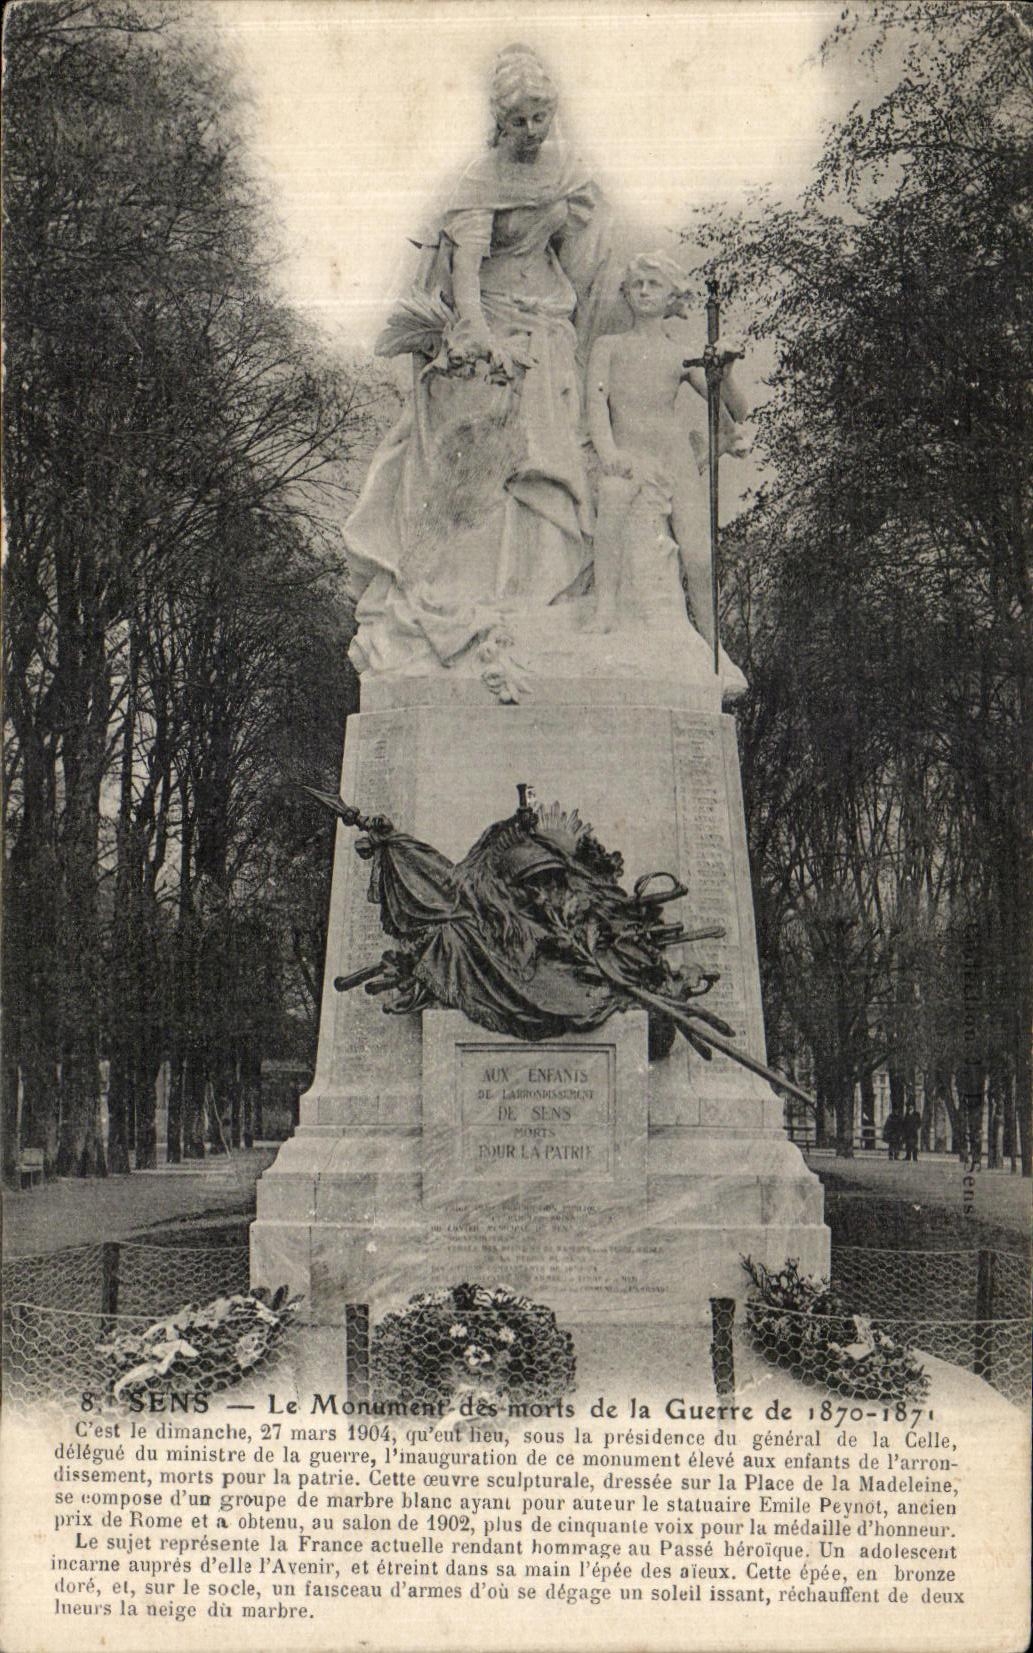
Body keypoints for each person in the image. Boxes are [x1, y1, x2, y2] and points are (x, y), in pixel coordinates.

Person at [344, 45, 615, 680]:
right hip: (491, 324)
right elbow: (465, 273)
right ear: (499, 118)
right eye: (519, 119)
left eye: (541, 115)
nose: (532, 129)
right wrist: (481, 337)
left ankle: (541, 599)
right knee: (489, 460)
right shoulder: (479, 179)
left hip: (549, 323)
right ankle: (474, 598)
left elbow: (581, 258)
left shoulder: (569, 169)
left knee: (551, 453)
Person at [586, 251, 749, 638]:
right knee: (611, 502)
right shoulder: (608, 347)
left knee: (698, 553)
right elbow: (596, 406)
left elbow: (737, 409)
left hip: (673, 457)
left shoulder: (681, 353)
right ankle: (605, 610)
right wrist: (609, 452)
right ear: (625, 292)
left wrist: (726, 372)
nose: (644, 292)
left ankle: (714, 644)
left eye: (653, 284)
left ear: (671, 295)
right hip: (627, 454)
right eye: (637, 284)